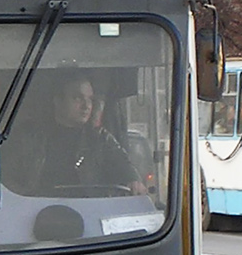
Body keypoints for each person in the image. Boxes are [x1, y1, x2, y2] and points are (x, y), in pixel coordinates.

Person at [17, 73, 146, 196]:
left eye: (90, 99)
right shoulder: (29, 137)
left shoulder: (100, 139)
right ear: (58, 101)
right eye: (78, 98)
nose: (86, 106)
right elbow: (11, 181)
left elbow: (123, 165)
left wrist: (133, 180)